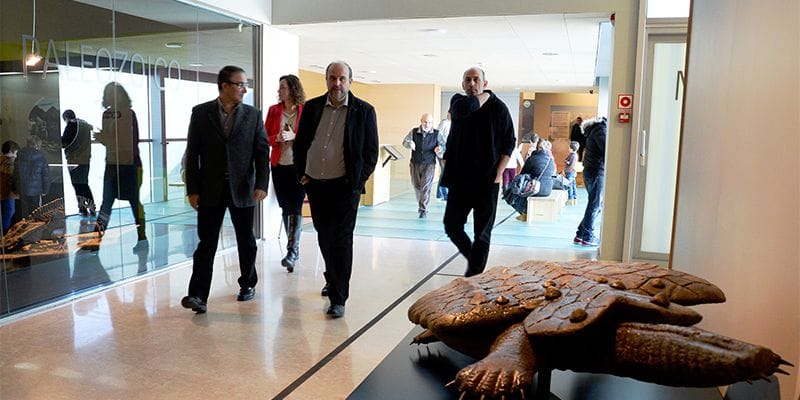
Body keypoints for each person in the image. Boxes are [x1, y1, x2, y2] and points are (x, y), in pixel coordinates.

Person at [181, 65, 269, 314]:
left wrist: (262, 184)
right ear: (224, 85)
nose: (244, 89)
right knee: (206, 243)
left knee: (246, 241)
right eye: (240, 84)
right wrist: (192, 189)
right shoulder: (201, 113)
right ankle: (198, 295)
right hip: (210, 189)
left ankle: (247, 283)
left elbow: (262, 152)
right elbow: (193, 154)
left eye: (244, 84)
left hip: (243, 188)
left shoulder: (252, 115)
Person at [293, 61, 379, 318]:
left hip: (344, 187)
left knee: (341, 241)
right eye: (332, 78)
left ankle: (338, 297)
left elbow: (370, 153)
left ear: (350, 80)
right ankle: (332, 277)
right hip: (316, 185)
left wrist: (356, 183)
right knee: (324, 235)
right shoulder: (312, 107)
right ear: (326, 79)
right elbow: (301, 143)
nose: (337, 83)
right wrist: (302, 174)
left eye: (342, 78)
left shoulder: (363, 111)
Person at [441, 67, 515, 277]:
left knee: (482, 233)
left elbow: (509, 142)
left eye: (476, 80)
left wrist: (499, 172)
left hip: (487, 181)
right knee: (452, 225)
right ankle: (475, 263)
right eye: (468, 80)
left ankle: (474, 276)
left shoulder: (499, 108)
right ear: (463, 84)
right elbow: (467, 108)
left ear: (485, 83)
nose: (472, 84)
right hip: (460, 180)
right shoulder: (457, 102)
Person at [94, 82, 148, 250]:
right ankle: (96, 240)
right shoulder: (108, 114)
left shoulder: (128, 114)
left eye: (114, 93)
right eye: (109, 93)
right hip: (113, 163)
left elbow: (128, 140)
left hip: (129, 163)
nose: (111, 96)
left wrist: (105, 138)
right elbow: (114, 140)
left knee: (133, 201)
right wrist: (104, 138)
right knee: (107, 202)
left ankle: (142, 237)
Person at [265, 74, 305, 272]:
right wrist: (278, 137)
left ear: (292, 89)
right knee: (285, 207)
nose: (279, 91)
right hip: (279, 165)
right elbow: (264, 137)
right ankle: (292, 250)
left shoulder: (305, 111)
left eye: (282, 87)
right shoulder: (274, 111)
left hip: (298, 166)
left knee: (295, 207)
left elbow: (310, 138)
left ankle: (292, 251)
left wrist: (294, 136)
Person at [574, 116, 607, 247]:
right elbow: (607, 151)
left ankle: (581, 234)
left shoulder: (594, 130)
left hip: (591, 171)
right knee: (595, 204)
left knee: (595, 204)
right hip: (597, 171)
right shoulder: (601, 130)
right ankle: (587, 236)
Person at [402, 113, 439, 218]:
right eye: (425, 122)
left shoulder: (437, 133)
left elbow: (443, 145)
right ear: (421, 121)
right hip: (415, 163)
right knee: (417, 186)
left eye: (430, 122)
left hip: (429, 164)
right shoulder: (414, 132)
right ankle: (421, 204)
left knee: (425, 186)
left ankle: (423, 209)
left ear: (432, 123)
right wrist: (409, 143)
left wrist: (439, 149)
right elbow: (405, 142)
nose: (427, 124)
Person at [508, 140, 556, 220]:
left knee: (515, 190)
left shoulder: (533, 158)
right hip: (548, 189)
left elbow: (523, 173)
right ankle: (525, 212)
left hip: (536, 188)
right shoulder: (550, 160)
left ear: (537, 148)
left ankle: (524, 212)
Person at [61, 109, 96, 217]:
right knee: (84, 184)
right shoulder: (84, 125)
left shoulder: (71, 126)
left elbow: (64, 142)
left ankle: (82, 208)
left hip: (74, 160)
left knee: (77, 185)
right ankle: (92, 207)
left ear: (66, 118)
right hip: (85, 160)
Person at [13, 135, 50, 220]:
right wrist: (45, 190)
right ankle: (33, 230)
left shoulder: (19, 156)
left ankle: (24, 230)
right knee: (36, 213)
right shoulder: (41, 158)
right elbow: (46, 176)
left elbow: (15, 174)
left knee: (23, 214)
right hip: (36, 191)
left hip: (22, 189)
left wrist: (14, 188)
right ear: (38, 145)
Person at [1, 140, 19, 233]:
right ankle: (4, 236)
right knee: (9, 212)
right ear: (13, 151)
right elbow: (12, 178)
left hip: (4, 193)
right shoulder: (10, 162)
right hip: (8, 193)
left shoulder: (2, 161)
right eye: (16, 153)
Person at [435, 112, 451, 201]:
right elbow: (439, 136)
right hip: (442, 152)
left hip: (447, 152)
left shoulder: (451, 124)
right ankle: (443, 194)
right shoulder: (444, 123)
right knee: (445, 173)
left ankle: (441, 194)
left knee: (445, 173)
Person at [564, 141, 580, 206]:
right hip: (571, 172)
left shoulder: (573, 156)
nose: (568, 149)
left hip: (570, 172)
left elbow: (571, 165)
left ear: (572, 149)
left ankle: (570, 198)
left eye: (569, 148)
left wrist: (567, 163)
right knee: (573, 184)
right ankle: (574, 197)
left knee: (569, 185)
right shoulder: (573, 154)